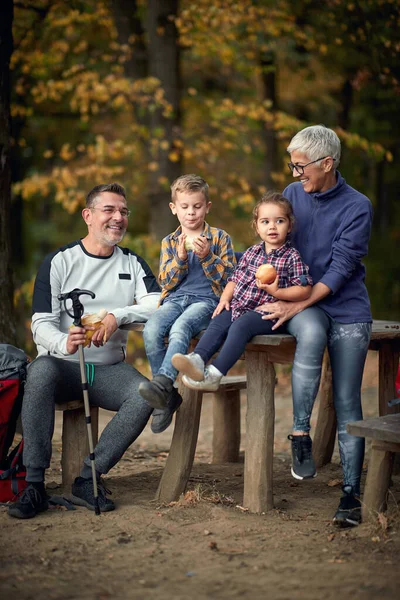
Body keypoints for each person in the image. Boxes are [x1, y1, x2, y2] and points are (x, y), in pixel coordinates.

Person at [8, 183, 161, 519]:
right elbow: (41, 322)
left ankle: (89, 477)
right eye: (109, 210)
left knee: (144, 394)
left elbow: (156, 304)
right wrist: (64, 342)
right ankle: (34, 484)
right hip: (63, 365)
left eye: (123, 211)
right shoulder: (59, 261)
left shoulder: (133, 262)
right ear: (88, 216)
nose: (118, 217)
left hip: (108, 369)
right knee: (41, 370)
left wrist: (116, 316)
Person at [260, 125, 373, 528]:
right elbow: (276, 247)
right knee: (308, 335)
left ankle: (350, 494)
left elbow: (342, 269)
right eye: (292, 165)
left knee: (346, 400)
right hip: (302, 302)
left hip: (345, 307)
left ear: (327, 163)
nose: (295, 174)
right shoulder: (292, 196)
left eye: (301, 166)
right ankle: (300, 436)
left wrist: (299, 303)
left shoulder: (357, 206)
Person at [171, 192, 312, 393]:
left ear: (289, 226)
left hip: (267, 313)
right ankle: (198, 359)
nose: (272, 226)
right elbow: (235, 279)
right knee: (219, 318)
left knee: (241, 326)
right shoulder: (251, 252)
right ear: (256, 226)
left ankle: (215, 374)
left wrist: (279, 291)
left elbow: (304, 289)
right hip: (241, 305)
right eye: (265, 221)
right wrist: (225, 298)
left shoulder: (291, 257)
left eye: (279, 221)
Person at [138, 174, 236, 432]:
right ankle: (167, 396)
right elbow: (166, 282)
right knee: (151, 329)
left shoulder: (220, 238)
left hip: (206, 301)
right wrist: (180, 258)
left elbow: (230, 278)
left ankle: (163, 385)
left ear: (207, 207)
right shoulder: (169, 242)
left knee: (180, 328)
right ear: (174, 208)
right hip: (175, 299)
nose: (191, 213)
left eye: (197, 206)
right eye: (185, 207)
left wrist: (207, 257)